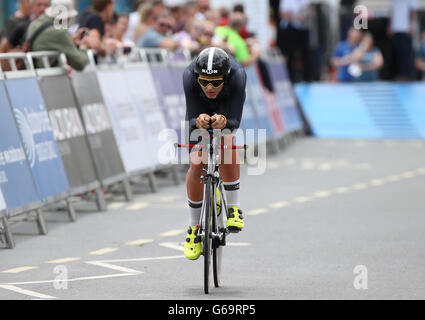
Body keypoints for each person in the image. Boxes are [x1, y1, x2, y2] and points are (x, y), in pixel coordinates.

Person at [182, 47, 246, 260]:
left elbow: (235, 120)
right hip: (199, 107)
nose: (209, 87)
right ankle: (193, 228)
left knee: (227, 140)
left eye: (216, 82)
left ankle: (234, 208)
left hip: (226, 106)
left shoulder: (237, 76)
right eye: (205, 82)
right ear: (197, 77)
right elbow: (191, 118)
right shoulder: (189, 77)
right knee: (197, 159)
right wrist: (197, 120)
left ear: (225, 79)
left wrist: (225, 120)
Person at [26, 0, 89, 71]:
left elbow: (49, 42)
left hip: (34, 74)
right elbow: (81, 63)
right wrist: (84, 46)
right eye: (69, 18)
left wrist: (70, 40)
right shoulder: (59, 32)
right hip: (49, 77)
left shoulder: (34, 24)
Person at [278, 0, 313, 82]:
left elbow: (309, 10)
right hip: (290, 29)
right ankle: (290, 78)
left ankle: (307, 78)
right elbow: (283, 14)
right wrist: (296, 17)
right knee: (290, 54)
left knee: (305, 53)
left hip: (302, 28)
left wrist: (303, 16)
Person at [389, 0, 418, 81]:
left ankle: (408, 75)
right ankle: (401, 74)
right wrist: (390, 26)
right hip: (396, 28)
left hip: (406, 29)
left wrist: (411, 25)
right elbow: (392, 11)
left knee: (407, 54)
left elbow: (413, 11)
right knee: (399, 53)